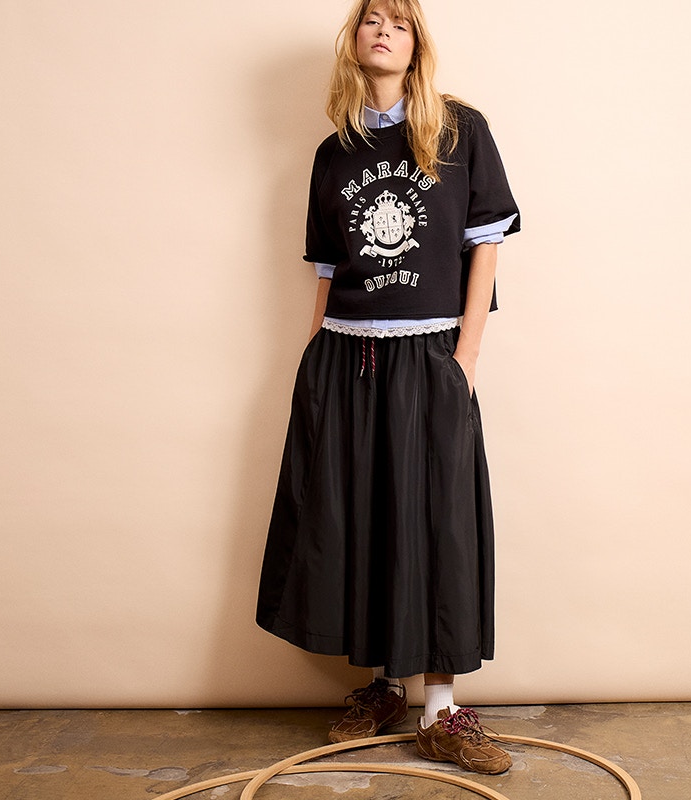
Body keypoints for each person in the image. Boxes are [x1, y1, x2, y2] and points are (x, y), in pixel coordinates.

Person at [255, 0, 520, 775]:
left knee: (434, 520)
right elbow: (329, 271)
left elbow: (488, 248)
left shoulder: (459, 129)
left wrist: (465, 357)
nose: (383, 29)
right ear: (354, 39)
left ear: (416, 44)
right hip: (344, 354)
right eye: (372, 18)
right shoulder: (331, 153)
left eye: (399, 22)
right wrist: (313, 361)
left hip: (429, 352)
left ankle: (440, 709)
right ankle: (380, 687)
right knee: (357, 515)